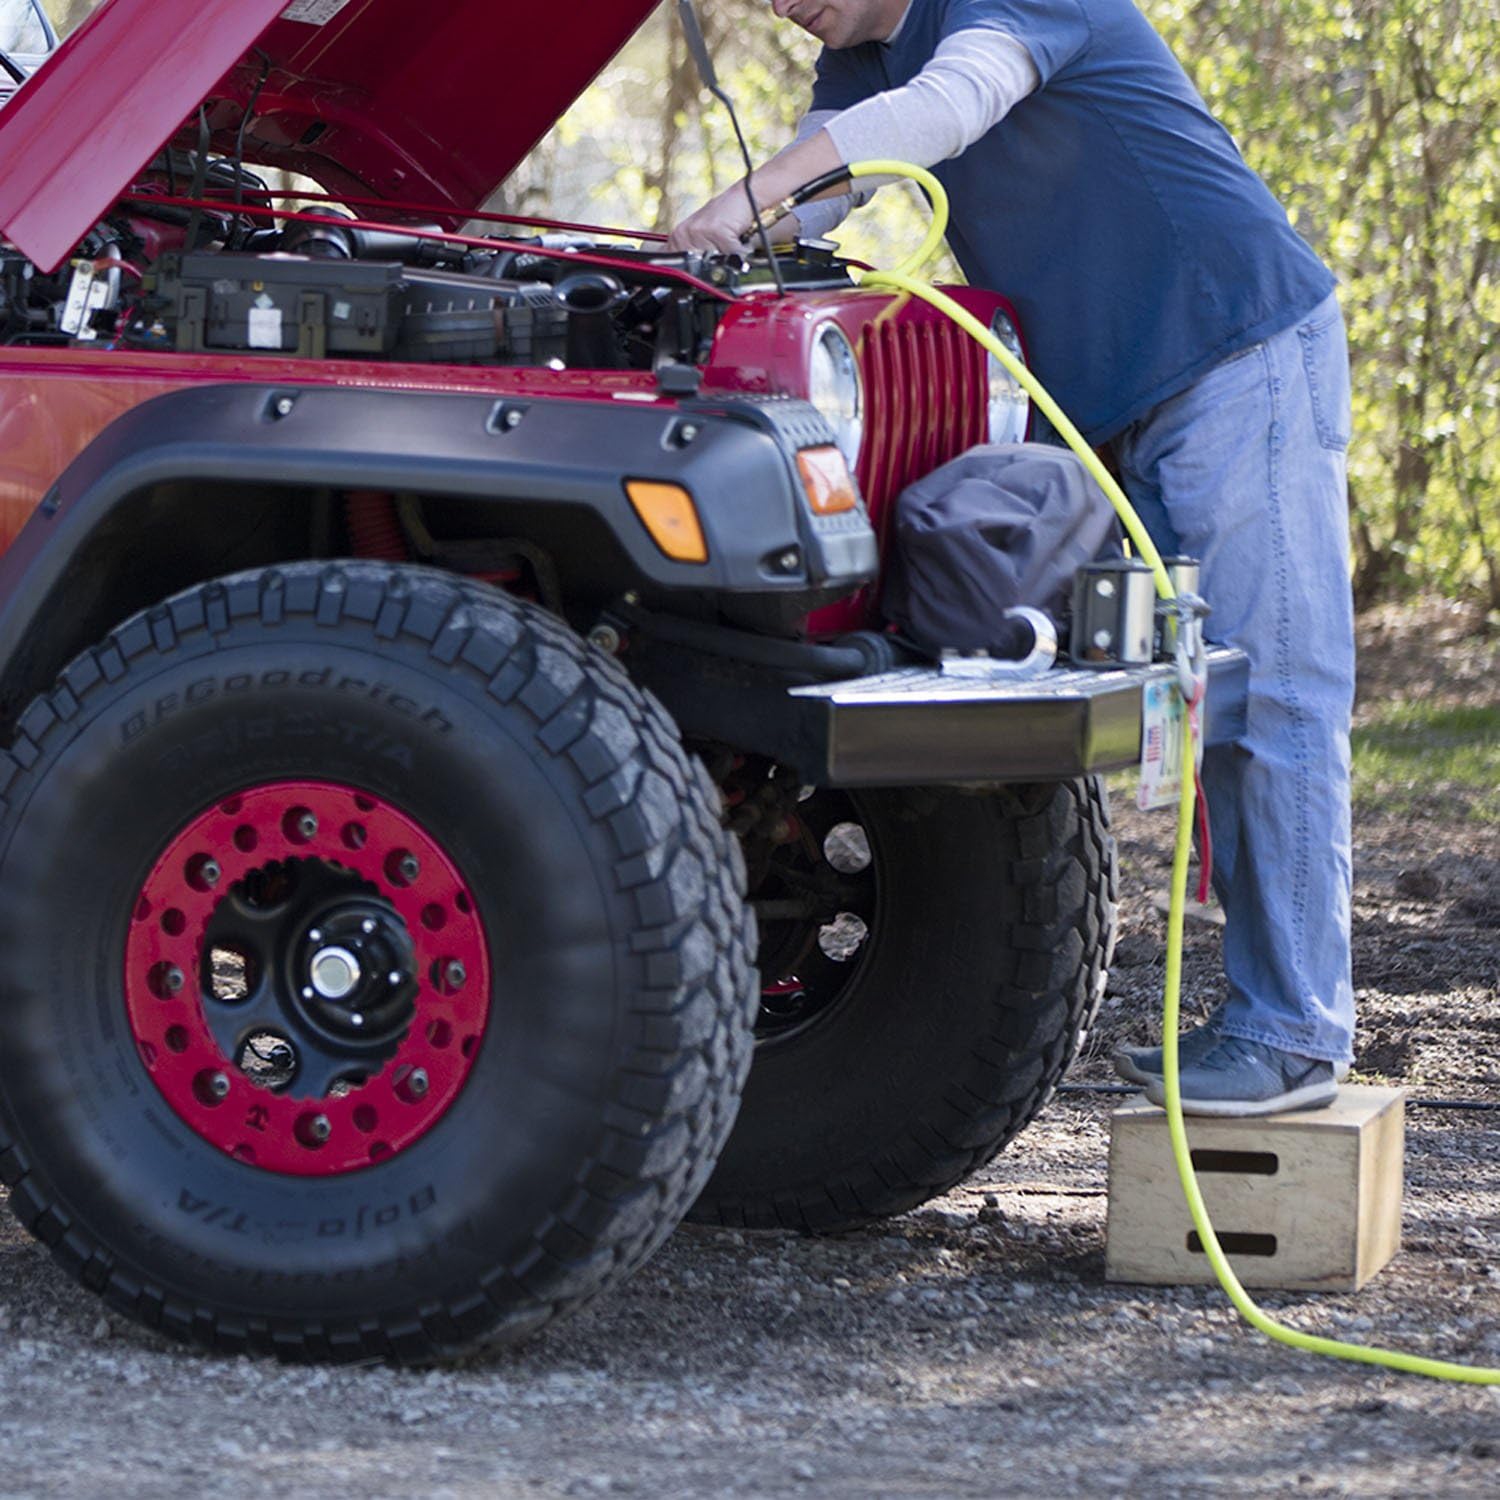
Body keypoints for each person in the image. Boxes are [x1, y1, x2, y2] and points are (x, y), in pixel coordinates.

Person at [667, 0, 1356, 1117]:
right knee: (1153, 684)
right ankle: (1265, 1016)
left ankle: (1293, 1032)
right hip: (1106, 397)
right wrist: (735, 240)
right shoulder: (855, 58)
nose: (785, 3)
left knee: (1271, 684)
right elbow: (843, 180)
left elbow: (950, 105)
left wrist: (746, 195)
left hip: (1233, 349)